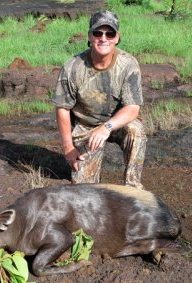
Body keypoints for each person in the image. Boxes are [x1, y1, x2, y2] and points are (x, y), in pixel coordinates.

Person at [52, 10, 147, 188]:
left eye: (109, 33)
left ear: (117, 37)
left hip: (117, 123)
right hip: (86, 125)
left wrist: (106, 128)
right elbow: (62, 108)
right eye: (98, 33)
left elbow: (133, 108)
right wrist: (68, 147)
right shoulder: (73, 67)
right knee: (84, 189)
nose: (103, 38)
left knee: (136, 130)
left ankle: (133, 188)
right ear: (90, 36)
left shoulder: (128, 65)